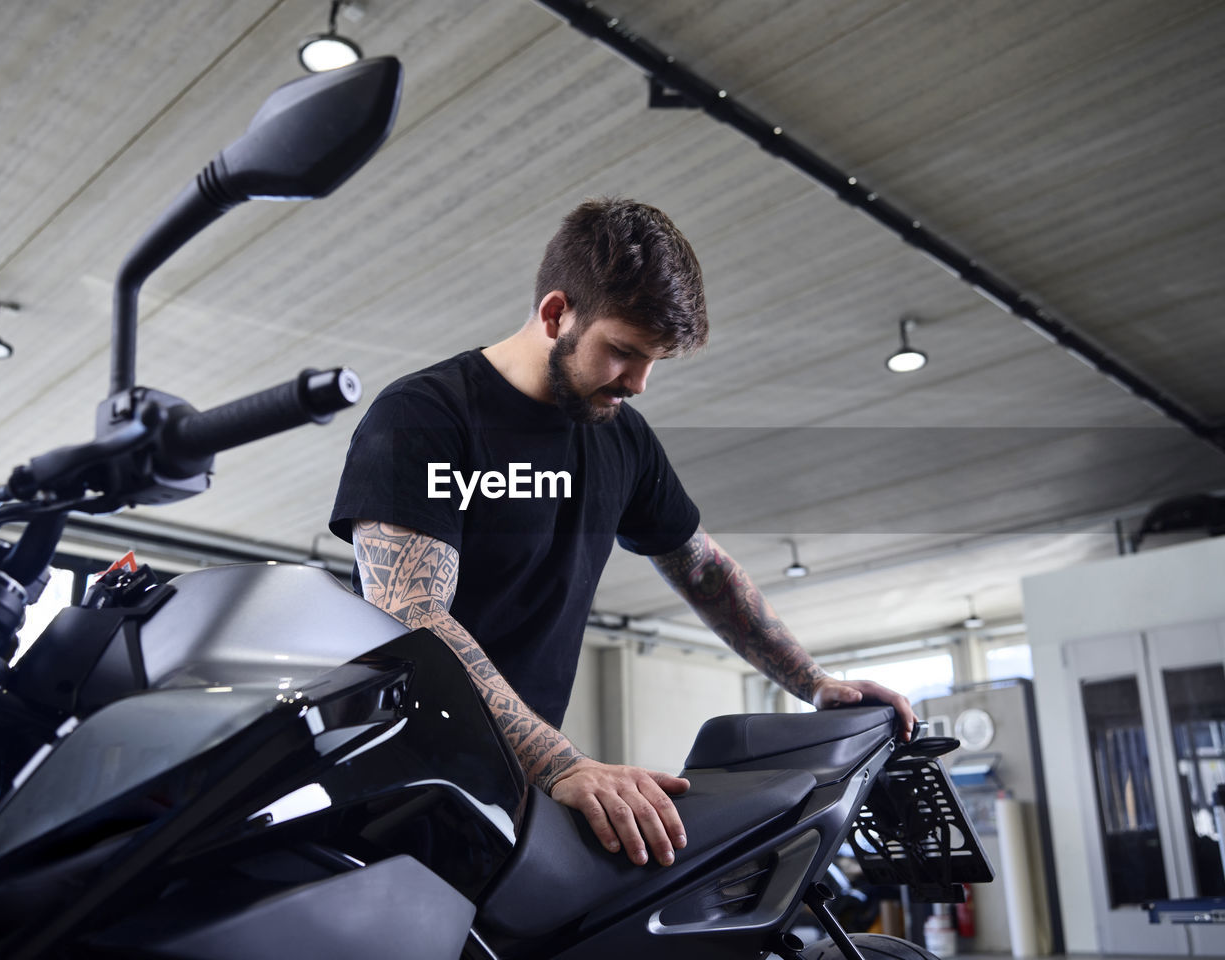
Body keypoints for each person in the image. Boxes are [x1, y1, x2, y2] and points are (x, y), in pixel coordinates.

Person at [329, 198, 915, 870]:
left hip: (512, 790)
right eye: (623, 352)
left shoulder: (620, 438)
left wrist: (812, 681)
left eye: (654, 360)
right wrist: (562, 763)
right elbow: (411, 614)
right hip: (393, 787)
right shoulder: (427, 416)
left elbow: (701, 568)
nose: (638, 382)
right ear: (556, 315)